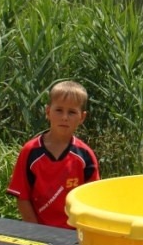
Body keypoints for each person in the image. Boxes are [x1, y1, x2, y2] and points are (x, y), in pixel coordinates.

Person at [7, 80, 100, 228]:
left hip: (73, 233)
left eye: (71, 112)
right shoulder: (30, 151)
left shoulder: (85, 155)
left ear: (82, 117)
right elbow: (22, 196)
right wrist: (36, 231)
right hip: (39, 230)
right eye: (59, 110)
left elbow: (92, 199)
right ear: (48, 112)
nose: (64, 117)